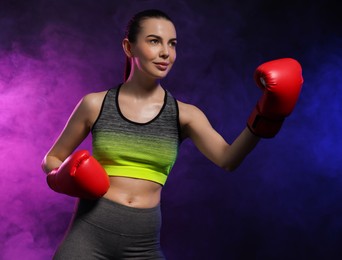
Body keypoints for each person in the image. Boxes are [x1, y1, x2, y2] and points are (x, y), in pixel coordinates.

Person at [41, 9, 303, 260]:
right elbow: (51, 159)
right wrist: (67, 177)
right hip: (88, 236)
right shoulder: (95, 104)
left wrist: (267, 116)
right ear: (128, 47)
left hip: (141, 246)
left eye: (172, 43)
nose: (165, 52)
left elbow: (228, 159)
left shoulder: (185, 115)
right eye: (154, 41)